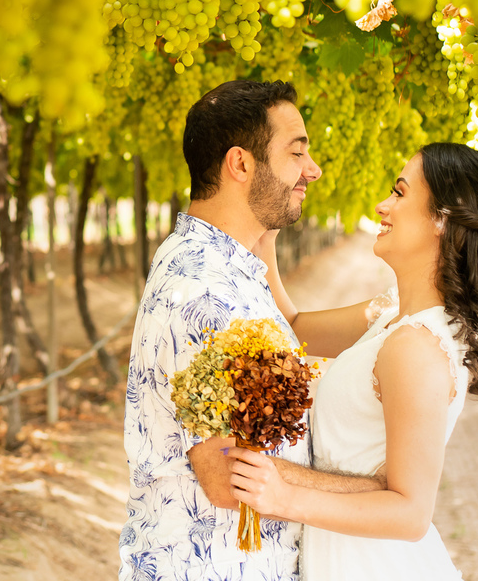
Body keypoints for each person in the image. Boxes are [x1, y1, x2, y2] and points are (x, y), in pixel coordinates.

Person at [119, 80, 389, 581]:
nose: (314, 170)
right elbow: (228, 479)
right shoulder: (204, 292)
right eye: (297, 152)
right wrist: (378, 492)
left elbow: (293, 329)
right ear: (241, 164)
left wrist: (405, 311)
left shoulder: (227, 266)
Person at [226, 142, 478, 580]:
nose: (382, 205)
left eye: (401, 193)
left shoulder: (415, 347)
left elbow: (410, 512)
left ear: (443, 220)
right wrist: (267, 232)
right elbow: (291, 325)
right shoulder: (392, 317)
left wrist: (285, 497)